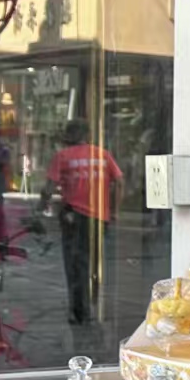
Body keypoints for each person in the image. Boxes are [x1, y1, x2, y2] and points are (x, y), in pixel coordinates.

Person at [40, 119, 122, 325]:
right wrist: (114, 210)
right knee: (92, 262)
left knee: (75, 264)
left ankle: (80, 311)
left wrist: (40, 207)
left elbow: (49, 187)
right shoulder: (102, 155)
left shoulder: (63, 156)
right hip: (99, 217)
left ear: (69, 135)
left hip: (74, 216)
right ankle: (89, 306)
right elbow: (119, 182)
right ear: (87, 135)